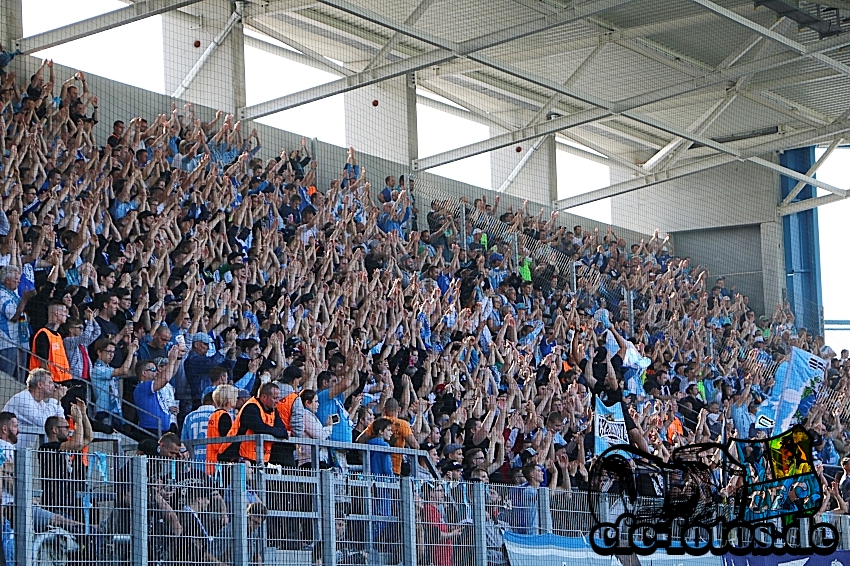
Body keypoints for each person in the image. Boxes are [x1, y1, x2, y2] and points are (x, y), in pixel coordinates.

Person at [220, 382, 288, 464]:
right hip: (234, 455)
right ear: (264, 397)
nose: (277, 401)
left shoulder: (274, 410)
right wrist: (276, 431)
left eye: (278, 398)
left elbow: (283, 431)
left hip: (258, 457)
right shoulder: (251, 408)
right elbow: (260, 429)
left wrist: (274, 431)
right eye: (274, 398)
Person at [2, 368, 64, 448]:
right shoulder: (22, 398)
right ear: (40, 384)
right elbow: (43, 422)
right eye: (50, 383)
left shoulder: (41, 404)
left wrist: (58, 401)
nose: (53, 386)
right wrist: (54, 399)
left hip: (22, 451)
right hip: (7, 449)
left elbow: (60, 420)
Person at [90, 337, 138, 428]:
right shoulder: (97, 369)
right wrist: (130, 352)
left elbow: (132, 372)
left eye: (113, 352)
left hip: (115, 410)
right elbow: (123, 370)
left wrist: (134, 352)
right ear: (99, 352)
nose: (112, 355)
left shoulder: (109, 368)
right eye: (109, 352)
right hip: (103, 411)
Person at [0, 265, 36, 380]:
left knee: (19, 381)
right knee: (7, 380)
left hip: (19, 342)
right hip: (7, 344)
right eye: (16, 279)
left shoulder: (13, 294)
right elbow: (14, 317)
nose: (19, 281)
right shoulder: (2, 294)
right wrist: (24, 299)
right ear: (7, 280)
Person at [30, 301, 72, 383]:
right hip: (51, 382)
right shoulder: (43, 334)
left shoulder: (58, 335)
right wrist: (49, 381)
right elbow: (42, 361)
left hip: (64, 380)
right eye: (64, 312)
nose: (66, 315)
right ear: (56, 313)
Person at [204, 385, 238, 473]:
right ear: (228, 399)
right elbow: (227, 441)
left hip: (211, 461)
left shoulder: (214, 415)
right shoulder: (224, 416)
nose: (236, 399)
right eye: (234, 397)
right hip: (220, 465)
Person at [297, 389, 334, 468]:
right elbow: (319, 436)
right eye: (316, 401)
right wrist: (329, 427)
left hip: (315, 460)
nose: (318, 404)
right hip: (309, 462)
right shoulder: (305, 414)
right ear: (307, 403)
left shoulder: (310, 415)